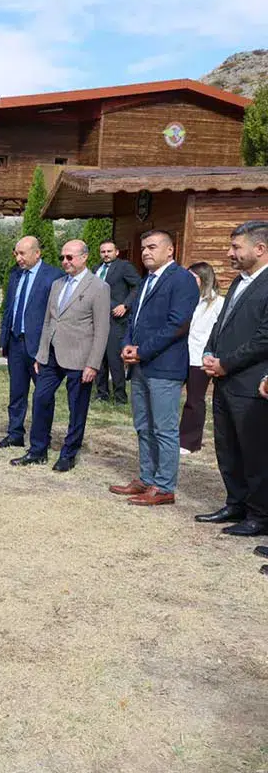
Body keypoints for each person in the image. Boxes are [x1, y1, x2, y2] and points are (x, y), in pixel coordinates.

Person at [108, 231, 199, 506]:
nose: (146, 251)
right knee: (143, 426)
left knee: (164, 429)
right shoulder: (146, 280)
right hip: (140, 367)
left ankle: (164, 487)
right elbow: (133, 319)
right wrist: (126, 343)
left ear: (170, 251)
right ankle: (147, 478)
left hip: (164, 367)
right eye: (143, 247)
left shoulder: (181, 280)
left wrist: (142, 350)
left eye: (152, 247)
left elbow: (177, 324)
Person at [194, 221, 268, 537]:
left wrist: (227, 363)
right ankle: (235, 503)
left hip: (251, 384)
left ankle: (260, 515)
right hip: (224, 381)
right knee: (228, 447)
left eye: (236, 247)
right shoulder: (239, 281)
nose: (229, 253)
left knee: (255, 452)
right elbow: (221, 323)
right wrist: (211, 353)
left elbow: (264, 338)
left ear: (260, 249)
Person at [12, 240, 110, 472]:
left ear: (84, 257)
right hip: (51, 356)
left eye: (70, 257)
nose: (65, 262)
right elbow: (48, 321)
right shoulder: (57, 284)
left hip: (80, 358)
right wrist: (40, 354)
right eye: (62, 258)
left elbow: (102, 329)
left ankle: (69, 453)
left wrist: (93, 364)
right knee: (41, 399)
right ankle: (37, 450)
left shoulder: (98, 287)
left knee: (77, 407)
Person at [0, 236, 62, 450]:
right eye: (16, 253)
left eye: (23, 253)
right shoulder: (15, 274)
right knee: (17, 392)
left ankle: (42, 438)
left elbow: (56, 315)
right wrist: (4, 339)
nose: (18, 258)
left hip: (40, 346)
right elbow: (9, 309)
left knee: (42, 395)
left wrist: (49, 346)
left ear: (37, 253)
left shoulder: (53, 276)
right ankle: (15, 434)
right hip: (16, 343)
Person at [178, 263, 224, 454]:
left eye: (192, 277)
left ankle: (189, 442)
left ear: (203, 279)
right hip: (181, 354)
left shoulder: (218, 303)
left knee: (194, 400)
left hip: (200, 357)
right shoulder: (188, 299)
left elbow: (220, 332)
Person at [93, 240, 142, 405]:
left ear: (117, 252)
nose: (106, 254)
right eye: (103, 252)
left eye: (109, 251)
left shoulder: (124, 267)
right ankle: (102, 394)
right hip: (97, 318)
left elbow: (138, 286)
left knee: (114, 359)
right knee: (98, 357)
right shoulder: (96, 269)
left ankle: (120, 397)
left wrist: (126, 305)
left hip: (116, 319)